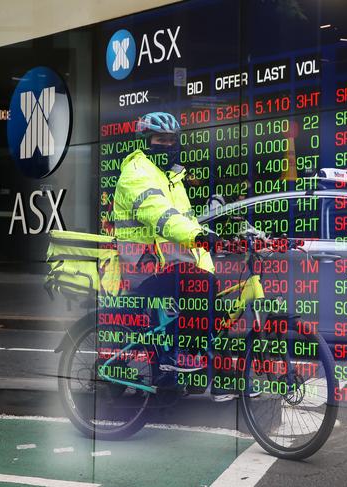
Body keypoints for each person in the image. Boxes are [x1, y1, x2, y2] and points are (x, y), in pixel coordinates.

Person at [112, 111, 238, 402]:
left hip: (170, 265)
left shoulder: (173, 178)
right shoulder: (136, 173)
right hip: (144, 267)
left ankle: (218, 378)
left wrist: (217, 237)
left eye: (171, 141)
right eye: (160, 140)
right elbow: (161, 216)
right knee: (199, 287)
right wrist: (197, 237)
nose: (167, 146)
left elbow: (187, 221)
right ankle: (178, 360)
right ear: (145, 142)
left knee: (213, 307)